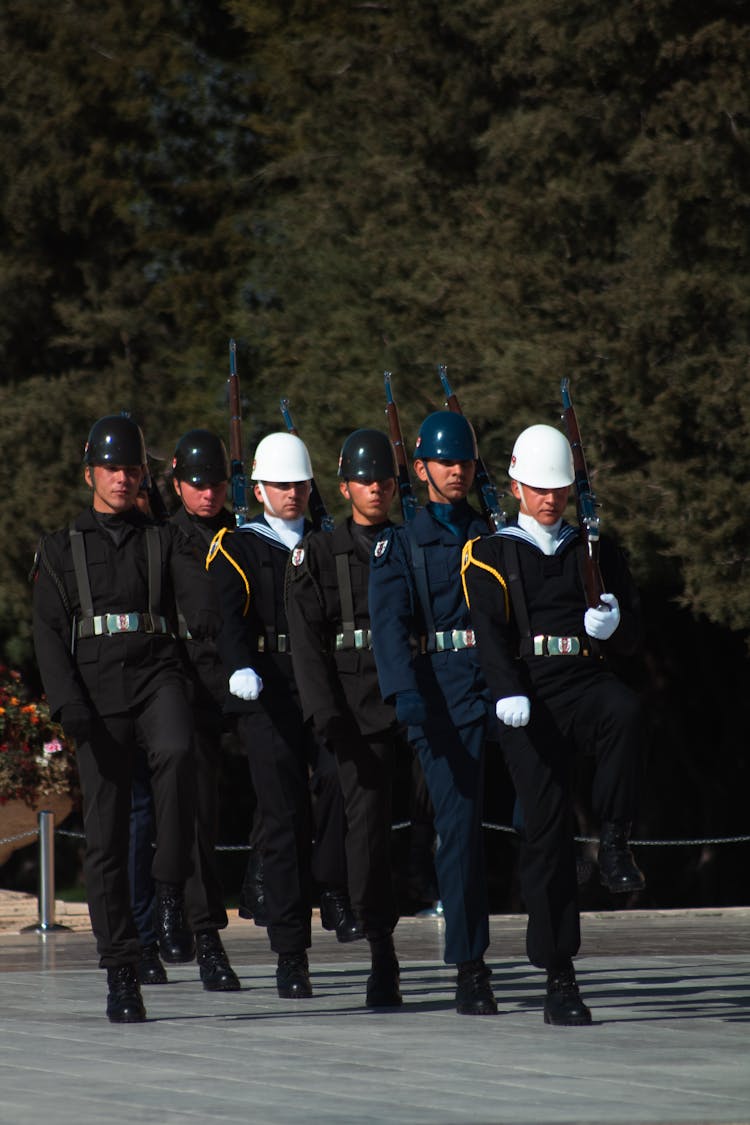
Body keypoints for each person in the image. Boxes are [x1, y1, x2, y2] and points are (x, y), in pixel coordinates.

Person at [31, 413, 220, 1023]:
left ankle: (168, 890)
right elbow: (49, 636)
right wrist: (69, 707)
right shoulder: (62, 549)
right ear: (90, 472)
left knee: (178, 751)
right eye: (112, 468)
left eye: (132, 469)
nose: (121, 478)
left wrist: (185, 530)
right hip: (94, 692)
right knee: (108, 839)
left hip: (157, 675)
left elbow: (203, 607)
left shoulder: (165, 538)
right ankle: (121, 970)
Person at [462, 422, 645, 1025]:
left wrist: (613, 628)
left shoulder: (595, 549)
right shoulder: (490, 552)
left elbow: (634, 638)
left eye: (559, 489)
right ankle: (559, 973)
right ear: (515, 485)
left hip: (583, 682)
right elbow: (488, 632)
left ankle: (615, 839)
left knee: (625, 711)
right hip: (528, 695)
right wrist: (506, 690)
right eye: (539, 489)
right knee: (545, 832)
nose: (549, 499)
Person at [206, 430, 357, 1001]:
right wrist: (240, 666)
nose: (290, 494)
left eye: (298, 484)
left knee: (345, 781)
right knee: (285, 813)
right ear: (260, 490)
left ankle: (332, 881)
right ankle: (291, 954)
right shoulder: (237, 545)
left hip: (321, 685)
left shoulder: (324, 543)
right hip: (266, 690)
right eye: (279, 486)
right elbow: (227, 616)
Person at [368, 411, 498, 1016]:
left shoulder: (493, 532)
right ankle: (470, 964)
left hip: (499, 684)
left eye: (464, 462)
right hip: (440, 696)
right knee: (462, 826)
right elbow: (390, 627)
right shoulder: (400, 544)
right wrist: (404, 692)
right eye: (445, 462)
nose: (456, 471)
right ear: (420, 469)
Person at [286, 428, 405, 1007]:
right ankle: (381, 950)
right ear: (344, 487)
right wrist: (327, 717)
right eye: (364, 480)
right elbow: (308, 649)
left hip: (411, 704)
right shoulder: (317, 554)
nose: (375, 489)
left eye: (384, 480)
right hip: (354, 711)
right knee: (369, 831)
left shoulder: (410, 545)